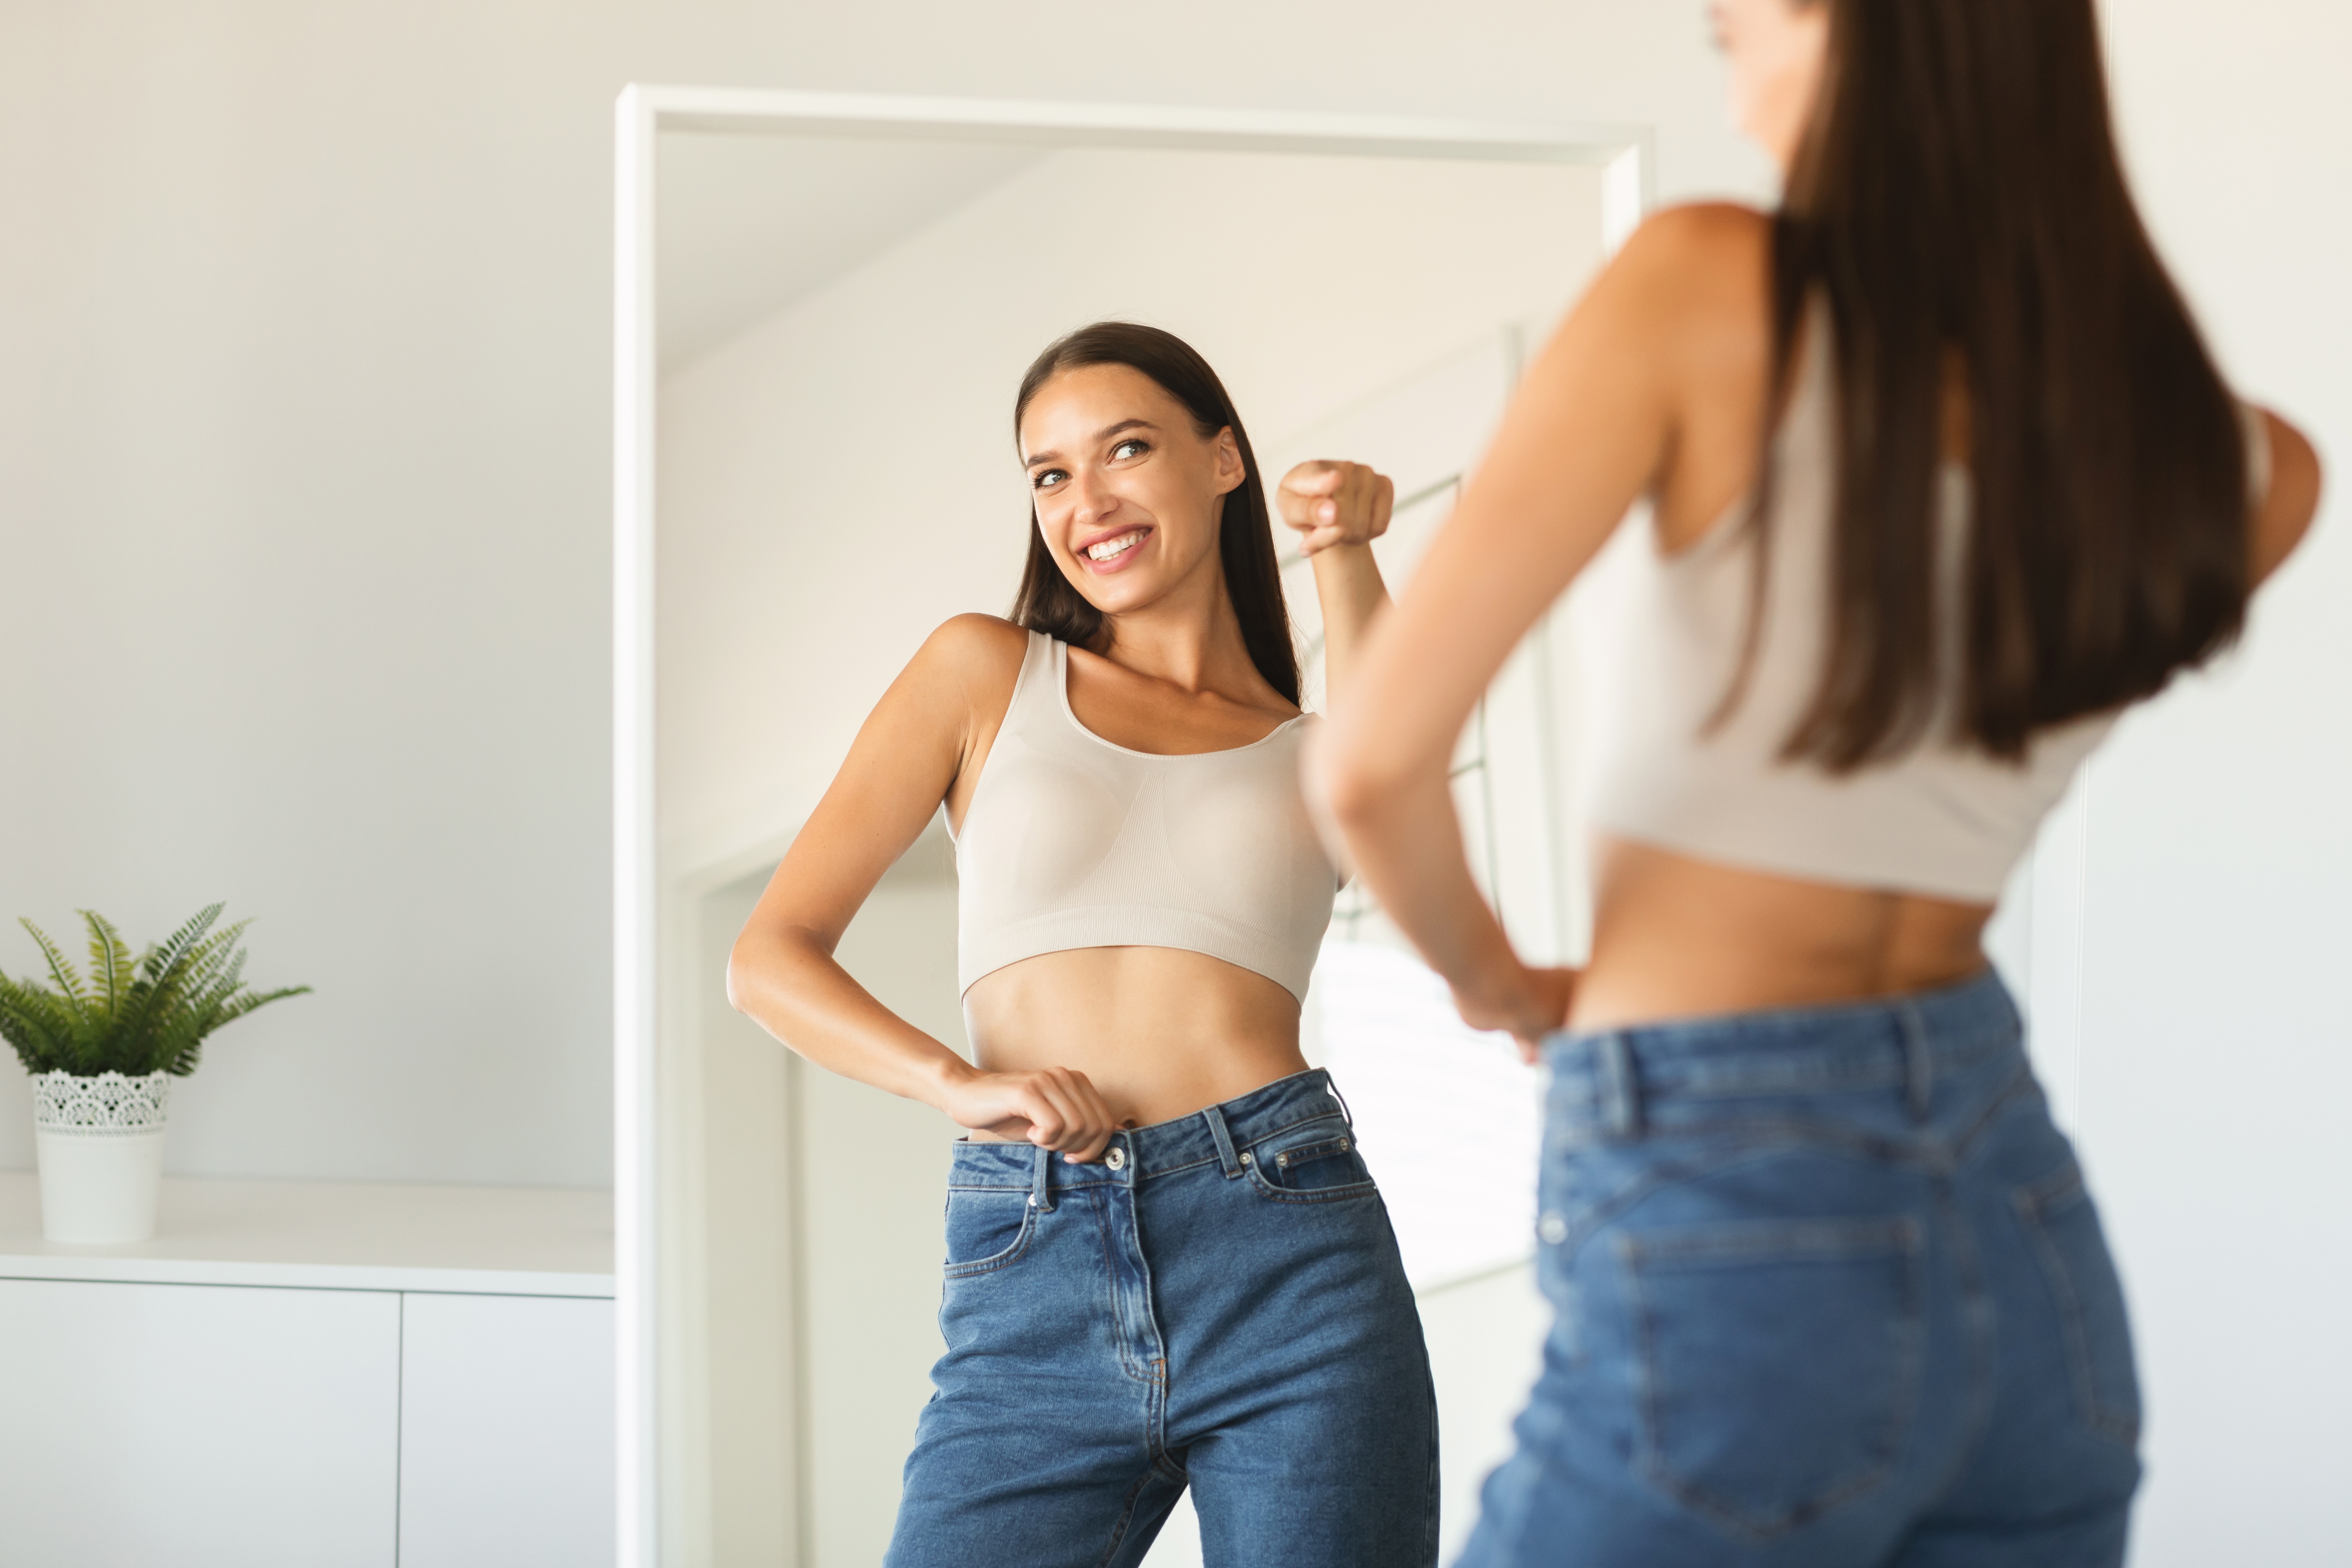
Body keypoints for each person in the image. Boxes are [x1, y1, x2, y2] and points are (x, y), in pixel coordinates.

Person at [1312, 3, 2323, 1566]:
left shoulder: (1707, 285)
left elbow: (1371, 761)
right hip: (2015, 1216)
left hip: (1732, 1188)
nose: (1734, 95)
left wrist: (1505, 986)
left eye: (1740, 34)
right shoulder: (2241, 468)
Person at [726, 321, 1439, 1567]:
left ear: (1223, 461)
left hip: (1288, 1244)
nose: (1084, 502)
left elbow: (1406, 799)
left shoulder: (1311, 750)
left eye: (1124, 450)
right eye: (1049, 474)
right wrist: (959, 1082)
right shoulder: (982, 670)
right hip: (1030, 1247)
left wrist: (1343, 552)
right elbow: (770, 957)